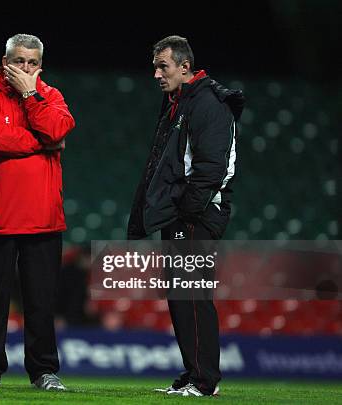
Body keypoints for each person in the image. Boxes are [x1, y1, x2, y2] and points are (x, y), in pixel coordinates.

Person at [127, 35, 244, 397]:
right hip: (184, 214)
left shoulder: (206, 103)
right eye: (155, 67)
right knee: (183, 296)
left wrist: (188, 212)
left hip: (196, 214)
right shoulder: (181, 102)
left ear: (184, 66)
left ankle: (204, 380)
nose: (157, 75)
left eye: (163, 67)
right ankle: (195, 373)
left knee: (192, 296)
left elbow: (213, 167)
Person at [0, 34, 75, 391]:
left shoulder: (52, 96)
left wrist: (31, 96)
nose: (25, 69)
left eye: (32, 63)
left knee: (41, 302)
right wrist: (44, 142)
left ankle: (44, 371)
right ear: (5, 61)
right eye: (19, 62)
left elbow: (58, 128)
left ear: (40, 64)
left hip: (44, 218)